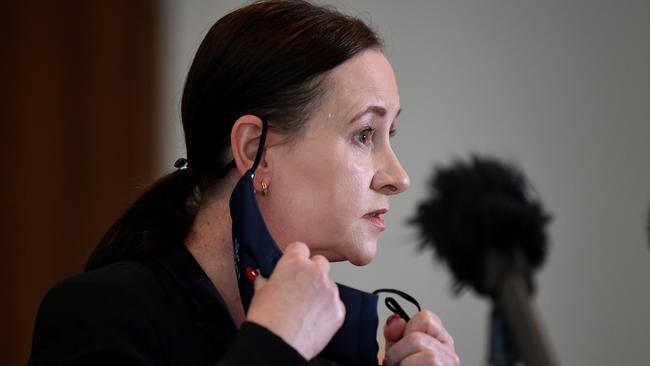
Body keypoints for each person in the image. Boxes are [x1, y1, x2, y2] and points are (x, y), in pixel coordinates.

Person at [29, 1, 460, 365]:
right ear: (256, 150)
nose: (398, 179)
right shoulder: (98, 314)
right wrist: (274, 348)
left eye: (390, 135)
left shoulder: (339, 346)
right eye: (365, 134)